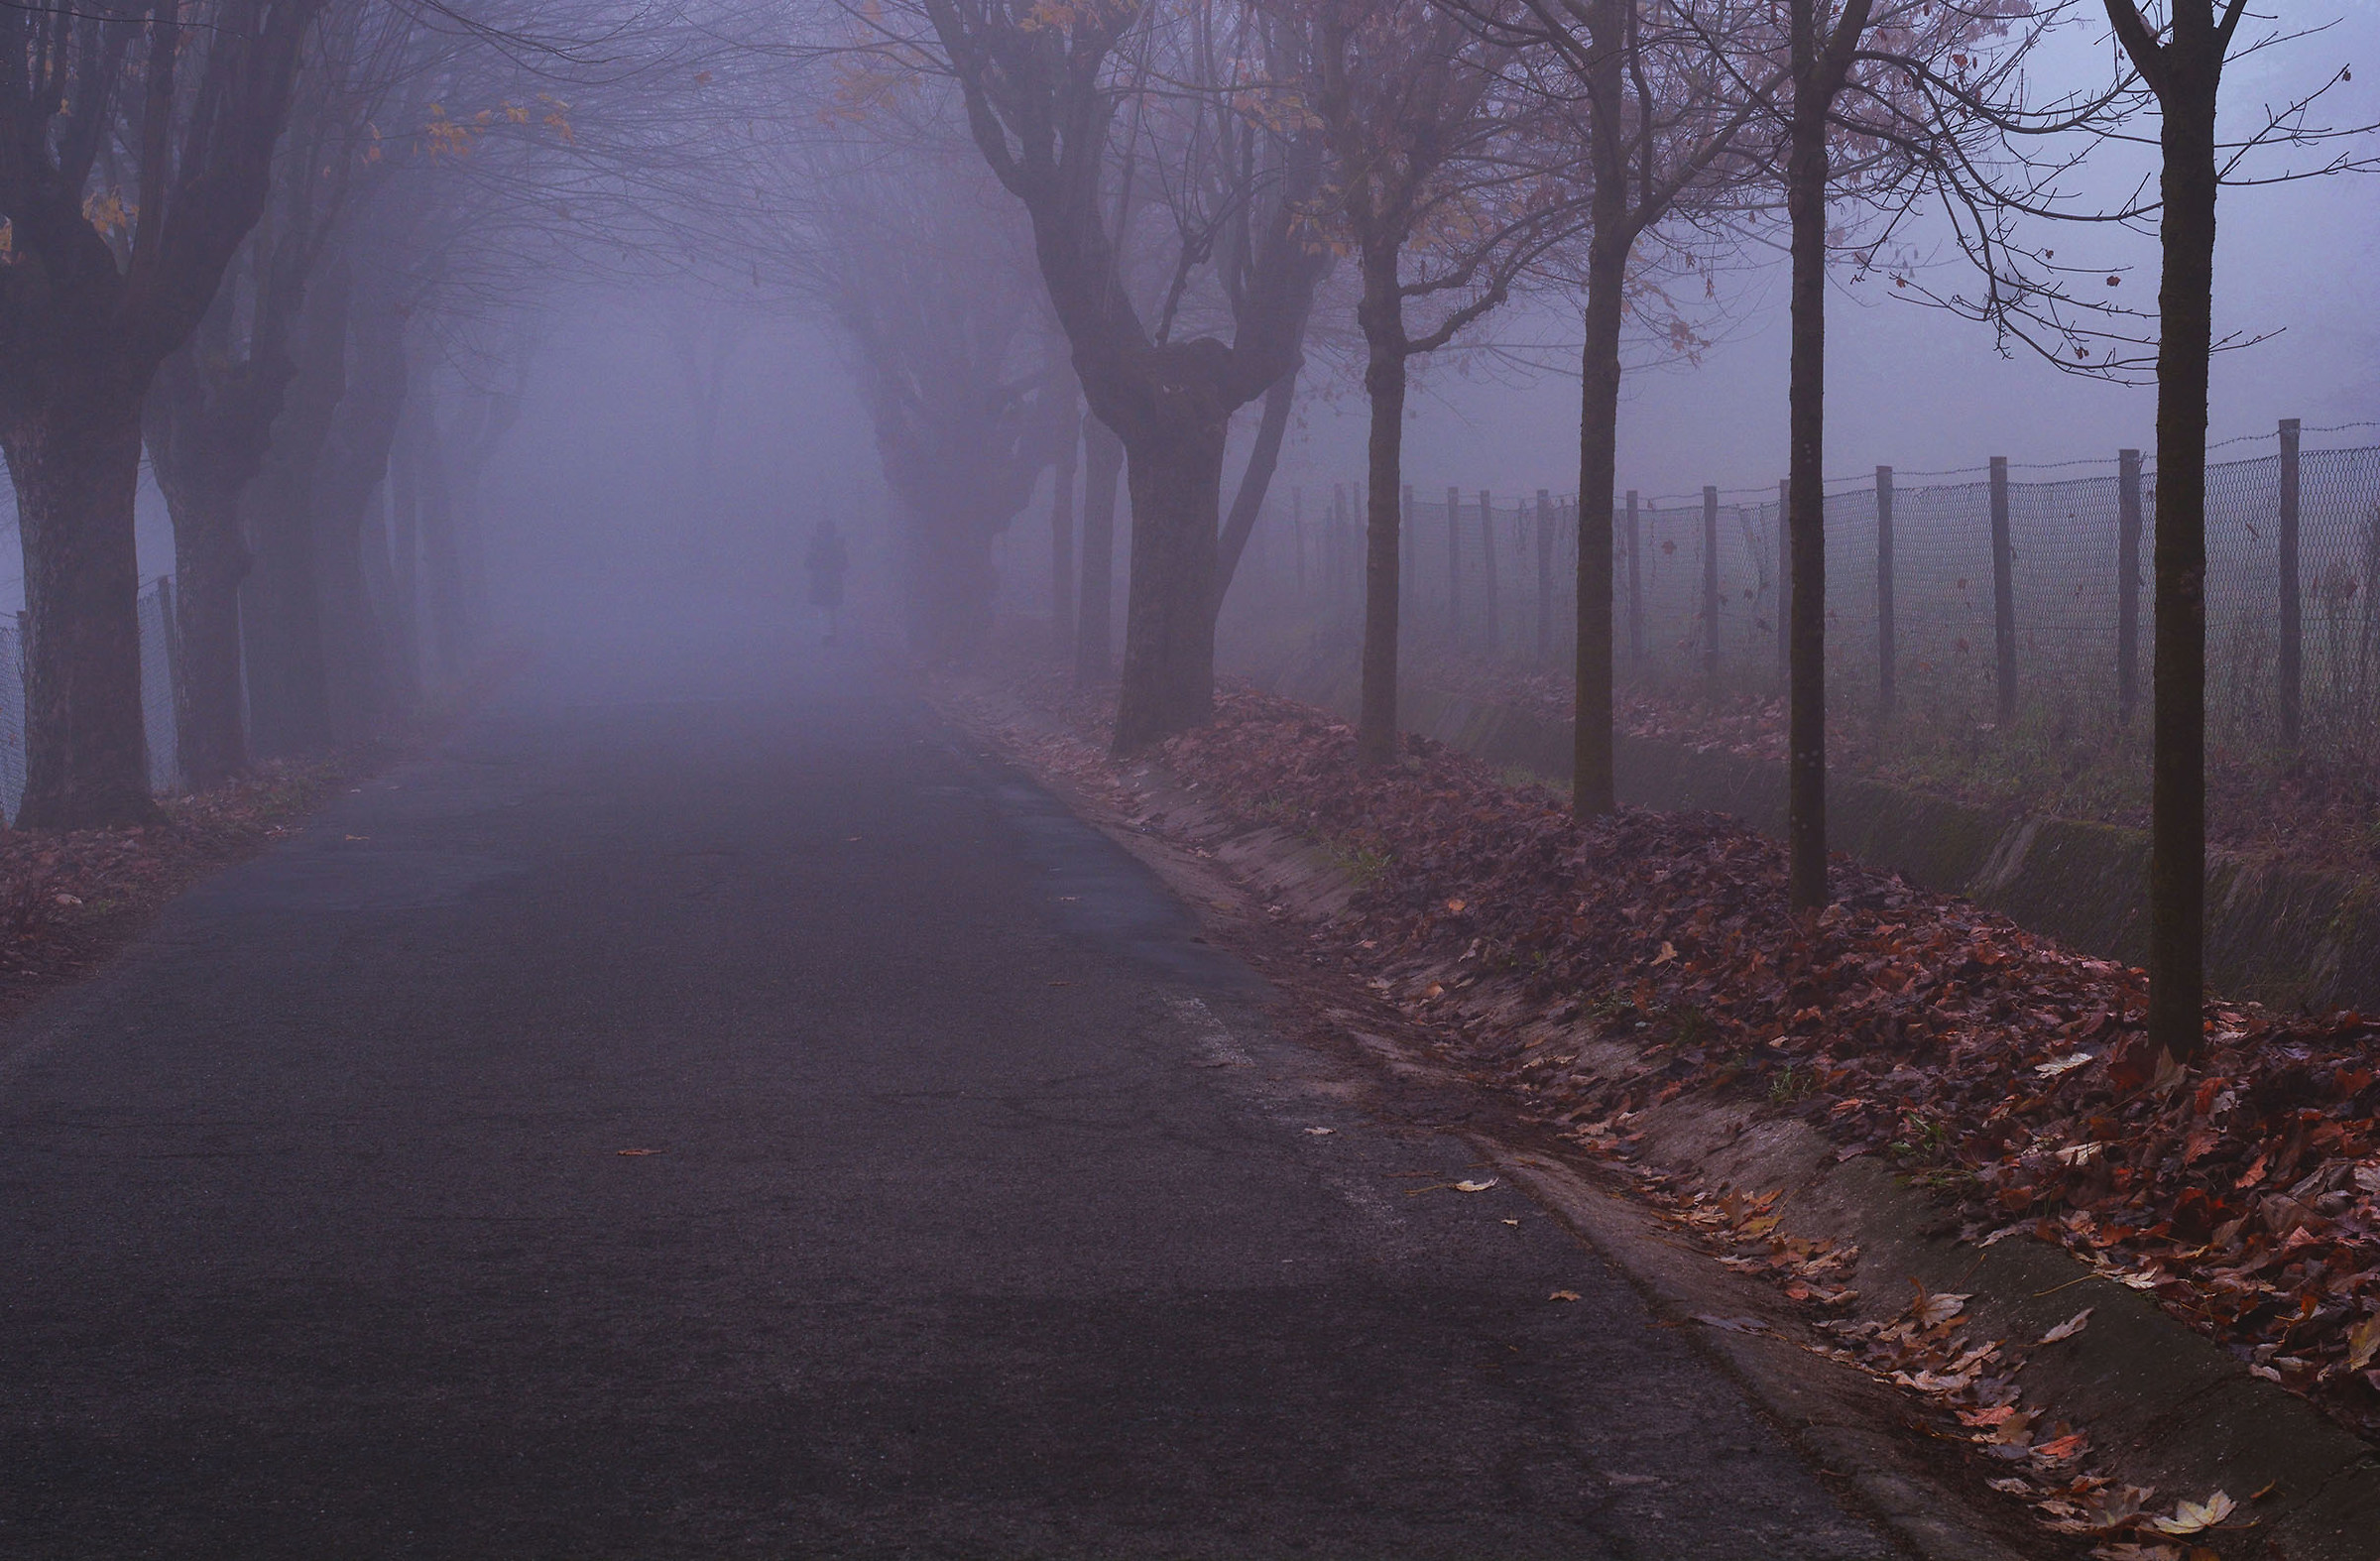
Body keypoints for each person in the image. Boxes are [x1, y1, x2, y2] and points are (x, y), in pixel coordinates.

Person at [804, 519, 850, 646]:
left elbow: (807, 564)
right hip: (833, 579)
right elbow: (845, 564)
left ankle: (828, 633)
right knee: (831, 606)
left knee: (824, 607)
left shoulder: (815, 546)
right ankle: (830, 632)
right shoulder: (838, 545)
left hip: (819, 579)